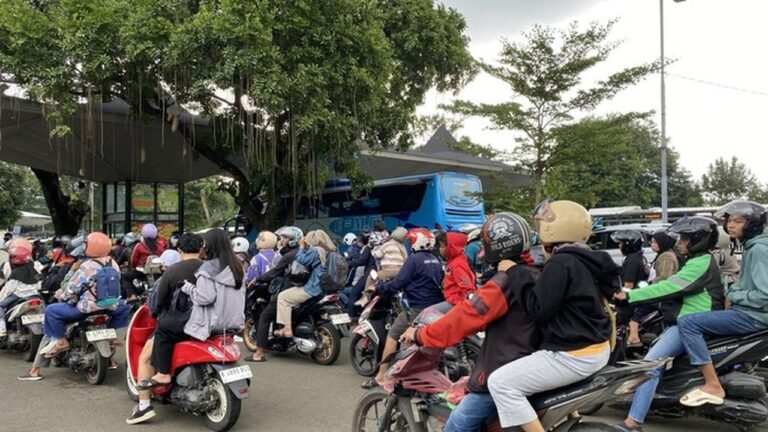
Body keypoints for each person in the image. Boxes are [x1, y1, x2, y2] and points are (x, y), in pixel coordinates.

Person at [488, 200, 620, 432]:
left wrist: (513, 271)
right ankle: (571, 419)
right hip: (597, 347)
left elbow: (538, 309)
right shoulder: (588, 258)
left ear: (552, 229)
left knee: (500, 383)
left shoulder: (561, 262)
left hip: (574, 353)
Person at [400, 213, 540, 431]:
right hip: (528, 360)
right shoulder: (532, 272)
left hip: (504, 364)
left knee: (455, 426)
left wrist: (420, 334)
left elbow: (466, 316)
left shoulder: (504, 281)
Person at [615, 216, 725, 432]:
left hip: (688, 323)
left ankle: (633, 422)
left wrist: (629, 296)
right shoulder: (695, 261)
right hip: (685, 319)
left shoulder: (700, 263)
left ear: (699, 241)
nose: (679, 242)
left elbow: (669, 287)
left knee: (649, 366)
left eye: (685, 239)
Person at [674, 201, 767, 408]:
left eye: (738, 221)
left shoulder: (758, 249)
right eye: (730, 221)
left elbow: (764, 294)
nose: (731, 225)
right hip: (753, 313)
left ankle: (712, 383)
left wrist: (735, 294)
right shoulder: (754, 246)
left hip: (754, 316)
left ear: (752, 224)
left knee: (688, 323)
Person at [140, 229, 245, 390]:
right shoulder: (237, 268)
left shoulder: (206, 268)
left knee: (163, 329)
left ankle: (163, 374)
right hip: (233, 323)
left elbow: (205, 298)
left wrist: (187, 287)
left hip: (210, 323)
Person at [127, 233, 204, 425]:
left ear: (180, 250)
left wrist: (155, 314)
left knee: (145, 358)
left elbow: (158, 303)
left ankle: (144, 406)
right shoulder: (212, 269)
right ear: (201, 249)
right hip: (211, 324)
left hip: (180, 326)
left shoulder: (172, 272)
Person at [363, 228, 444, 389]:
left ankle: (381, 376)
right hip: (435, 308)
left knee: (393, 334)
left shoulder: (414, 259)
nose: (410, 244)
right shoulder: (435, 260)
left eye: (411, 241)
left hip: (416, 308)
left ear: (417, 243)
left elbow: (398, 283)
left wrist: (379, 288)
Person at [35, 232, 133, 358]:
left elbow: (72, 289)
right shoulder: (112, 263)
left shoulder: (86, 266)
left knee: (51, 310)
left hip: (87, 308)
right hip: (110, 305)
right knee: (126, 308)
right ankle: (111, 334)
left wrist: (63, 296)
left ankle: (61, 341)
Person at [247, 226, 302, 362]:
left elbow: (274, 272)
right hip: (304, 289)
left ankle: (259, 353)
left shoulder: (288, 256)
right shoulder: (300, 253)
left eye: (285, 238)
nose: (282, 241)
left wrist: (257, 279)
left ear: (292, 240)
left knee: (265, 317)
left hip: (288, 289)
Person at [273, 230, 336, 339]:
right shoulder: (332, 251)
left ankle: (287, 329)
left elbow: (301, 260)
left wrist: (301, 247)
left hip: (313, 288)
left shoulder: (317, 250)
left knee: (283, 297)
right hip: (326, 289)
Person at [612, 230, 652, 348]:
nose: (619, 246)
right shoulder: (639, 256)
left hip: (632, 299)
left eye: (621, 244)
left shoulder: (631, 260)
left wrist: (617, 296)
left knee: (616, 316)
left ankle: (632, 339)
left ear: (628, 245)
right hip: (638, 295)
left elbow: (628, 285)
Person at [358, 227, 408, 306]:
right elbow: (405, 259)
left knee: (371, 278)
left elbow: (377, 255)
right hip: (400, 272)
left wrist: (372, 250)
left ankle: (365, 297)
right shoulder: (403, 247)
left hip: (387, 271)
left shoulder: (387, 245)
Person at [0, 247, 41, 336]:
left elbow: (9, 289)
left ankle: (2, 329)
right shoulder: (34, 270)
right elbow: (39, 284)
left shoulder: (15, 273)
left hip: (18, 296)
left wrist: (1, 297)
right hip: (34, 295)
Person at [438, 231, 476, 306]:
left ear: (451, 248)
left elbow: (466, 285)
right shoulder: (455, 259)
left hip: (456, 301)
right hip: (452, 298)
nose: (440, 249)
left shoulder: (456, 265)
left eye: (442, 247)